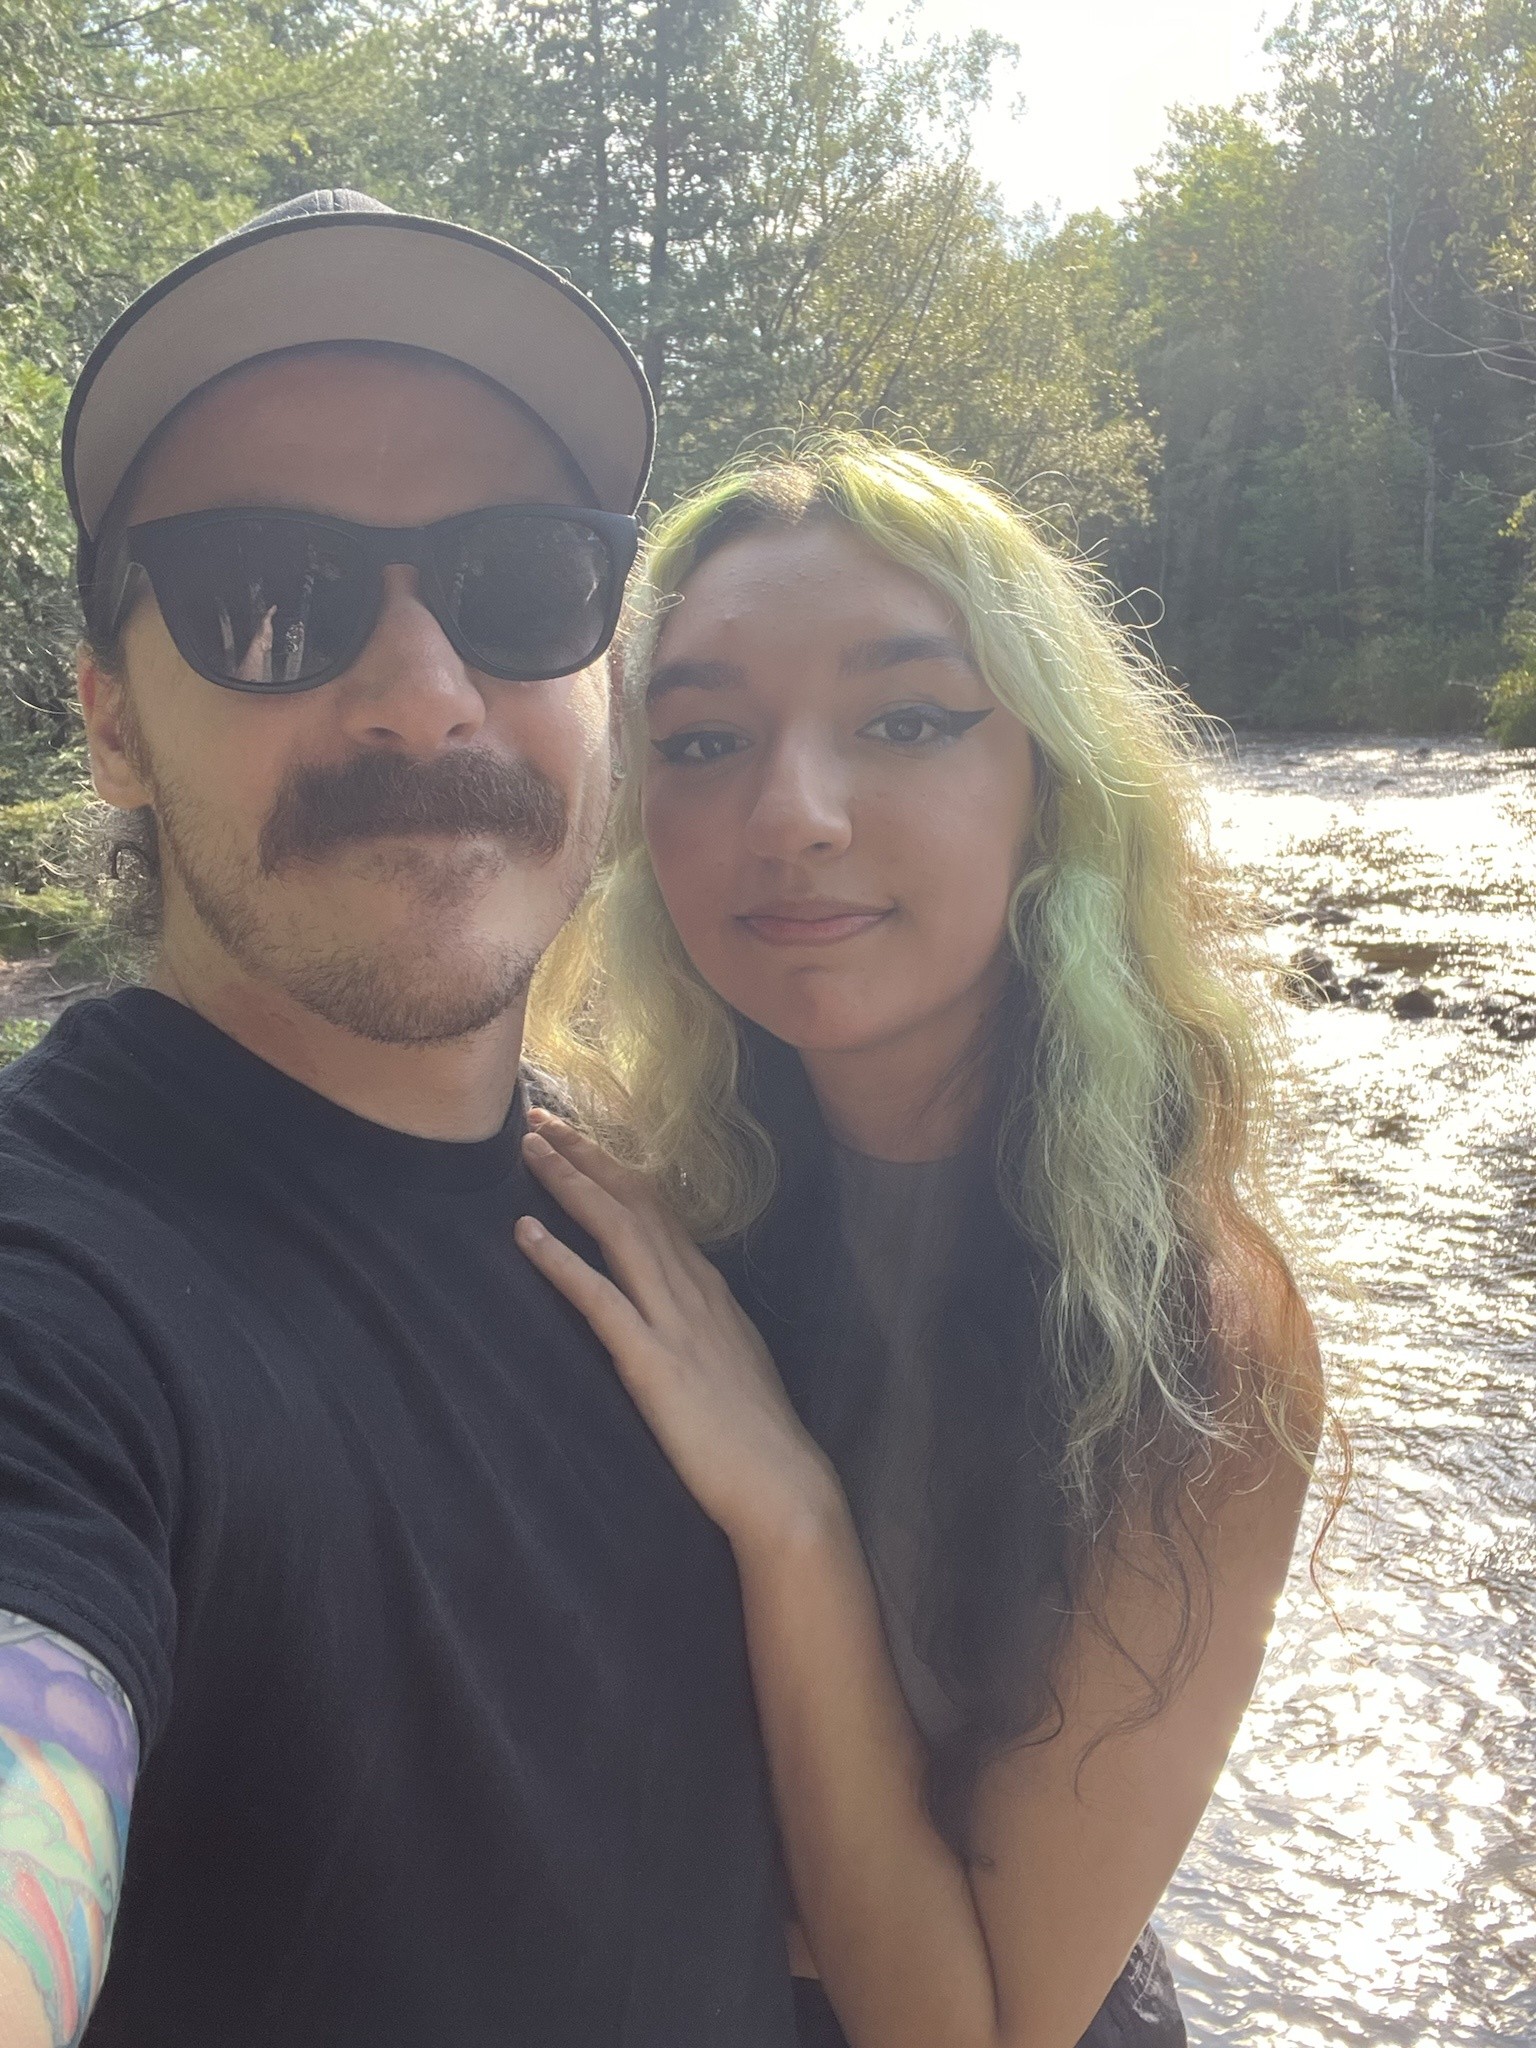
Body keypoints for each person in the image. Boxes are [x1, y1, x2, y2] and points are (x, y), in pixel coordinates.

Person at [0, 190, 798, 2048]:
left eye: (520, 580)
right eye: (265, 596)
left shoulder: (664, 1206)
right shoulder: (62, 1303)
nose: (421, 692)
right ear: (114, 722)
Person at [517, 435, 1333, 2048]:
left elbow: (962, 2032)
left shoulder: (1200, 1331)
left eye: (906, 720)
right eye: (700, 740)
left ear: (1050, 784)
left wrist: (791, 1518)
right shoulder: (641, 1192)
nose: (793, 814)